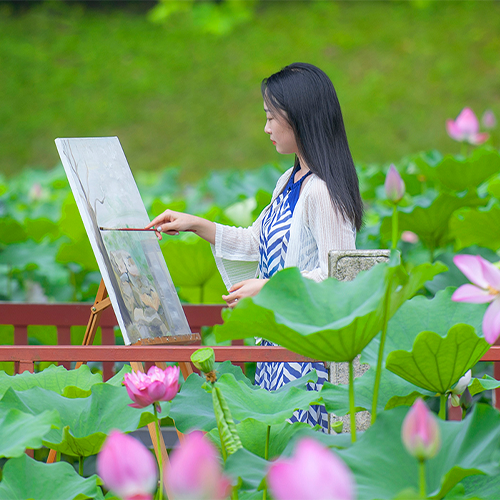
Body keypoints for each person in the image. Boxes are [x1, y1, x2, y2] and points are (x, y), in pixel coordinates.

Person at [147, 62, 363, 430]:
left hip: (306, 353)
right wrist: (196, 224)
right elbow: (256, 241)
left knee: (299, 456)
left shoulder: (322, 192)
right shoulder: (289, 181)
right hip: (275, 346)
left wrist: (270, 286)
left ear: (300, 119)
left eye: (270, 117)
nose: (265, 128)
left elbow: (338, 275)